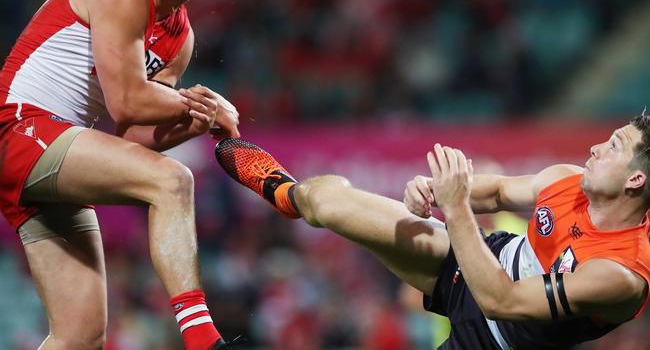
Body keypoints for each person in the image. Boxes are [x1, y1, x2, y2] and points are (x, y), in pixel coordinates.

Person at [0, 0, 243, 350]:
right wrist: (201, 103)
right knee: (173, 181)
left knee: (81, 337)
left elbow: (133, 137)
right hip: (18, 128)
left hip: (57, 152)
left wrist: (199, 120)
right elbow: (128, 100)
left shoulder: (181, 39)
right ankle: (203, 339)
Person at [214, 113, 650, 349]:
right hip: (472, 260)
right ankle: (287, 195)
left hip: (494, 337)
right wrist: (437, 193)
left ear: (635, 181)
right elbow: (496, 190)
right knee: (327, 200)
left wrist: (457, 207)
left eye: (612, 147)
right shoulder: (568, 179)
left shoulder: (622, 274)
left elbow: (502, 301)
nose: (595, 148)